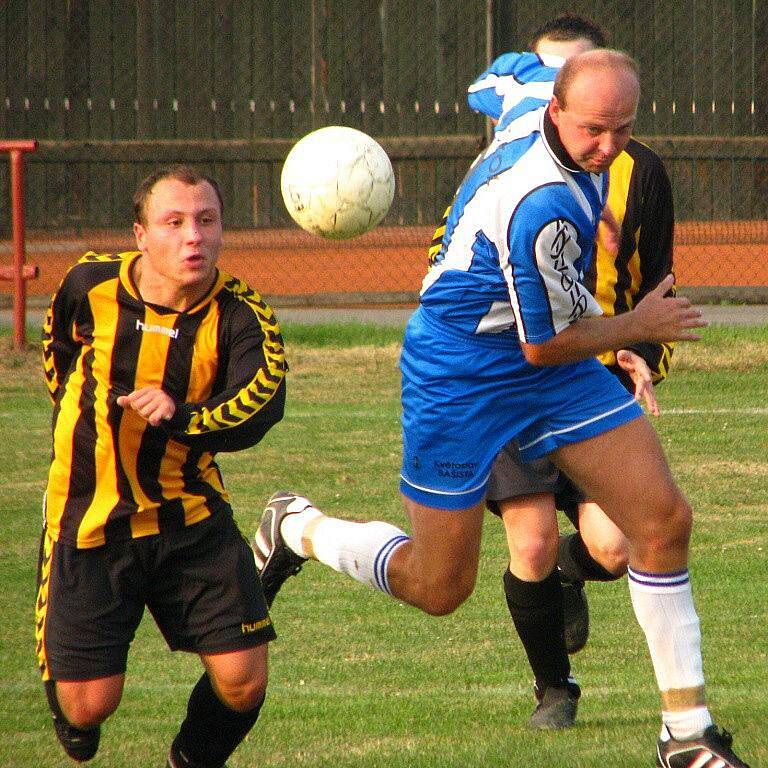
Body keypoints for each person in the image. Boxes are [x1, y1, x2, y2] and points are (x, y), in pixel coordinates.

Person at [255, 50, 751, 768]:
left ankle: (687, 734)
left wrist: (535, 67)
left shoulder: (530, 96)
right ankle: (299, 527)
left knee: (663, 518)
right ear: (557, 112)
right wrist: (636, 326)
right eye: (593, 131)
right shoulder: (540, 203)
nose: (608, 146)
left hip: (545, 354)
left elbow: (500, 74)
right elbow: (542, 347)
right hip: (464, 372)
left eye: (623, 128)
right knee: (438, 586)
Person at [464, 13, 677, 729]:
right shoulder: (510, 166)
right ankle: (554, 688)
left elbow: (655, 287)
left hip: (590, 373)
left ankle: (568, 570)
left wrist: (641, 359)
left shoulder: (639, 172)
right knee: (524, 540)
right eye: (546, 77)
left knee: (614, 549)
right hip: (509, 379)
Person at [36, 165, 287, 767]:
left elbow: (258, 409)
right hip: (89, 521)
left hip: (188, 515)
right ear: (141, 233)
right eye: (173, 223)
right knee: (88, 706)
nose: (193, 237)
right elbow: (59, 356)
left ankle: (191, 761)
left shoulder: (243, 316)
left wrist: (180, 415)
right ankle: (71, 702)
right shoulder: (88, 283)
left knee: (243, 680)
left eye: (206, 221)